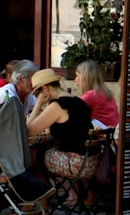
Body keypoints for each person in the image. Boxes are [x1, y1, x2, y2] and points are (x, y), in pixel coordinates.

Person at [26, 68, 93, 207]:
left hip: (76, 163)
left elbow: (28, 131)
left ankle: (43, 200)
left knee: (33, 156)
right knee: (48, 153)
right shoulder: (77, 101)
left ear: (45, 89)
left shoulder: (57, 105)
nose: (37, 96)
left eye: (38, 93)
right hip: (91, 161)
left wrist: (38, 105)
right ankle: (73, 195)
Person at [75, 59, 119, 128]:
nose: (75, 79)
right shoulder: (106, 93)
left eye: (77, 76)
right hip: (112, 133)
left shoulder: (91, 95)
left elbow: (72, 112)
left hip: (101, 134)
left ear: (86, 77)